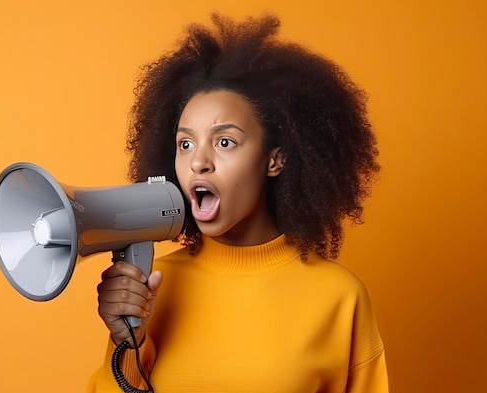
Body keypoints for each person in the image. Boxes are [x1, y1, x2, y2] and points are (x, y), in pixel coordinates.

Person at [88, 12, 388, 393]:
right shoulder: (152, 289)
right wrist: (126, 342)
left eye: (225, 141)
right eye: (185, 143)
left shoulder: (339, 298)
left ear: (274, 160)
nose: (199, 161)